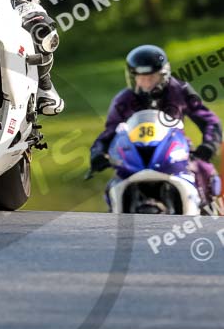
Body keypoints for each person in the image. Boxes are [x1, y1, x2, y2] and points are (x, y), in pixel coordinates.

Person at [89, 44, 222, 207]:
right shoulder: (123, 100)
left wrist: (209, 145)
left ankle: (211, 214)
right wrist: (97, 153)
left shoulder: (179, 90)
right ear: (133, 77)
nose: (146, 82)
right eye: (140, 77)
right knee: (113, 186)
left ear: (163, 75)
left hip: (175, 150)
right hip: (135, 154)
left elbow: (209, 120)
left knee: (204, 170)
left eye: (151, 77)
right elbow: (110, 131)